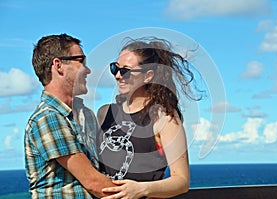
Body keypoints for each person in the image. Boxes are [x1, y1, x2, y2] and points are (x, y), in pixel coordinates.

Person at [96, 37, 200, 199]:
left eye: (126, 70)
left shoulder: (164, 118)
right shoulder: (105, 113)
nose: (117, 75)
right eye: (114, 68)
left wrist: (141, 189)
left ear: (148, 76)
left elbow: (181, 180)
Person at [24, 33, 115, 198]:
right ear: (58, 65)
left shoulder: (84, 114)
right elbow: (94, 183)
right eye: (81, 61)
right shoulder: (49, 118)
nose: (88, 70)